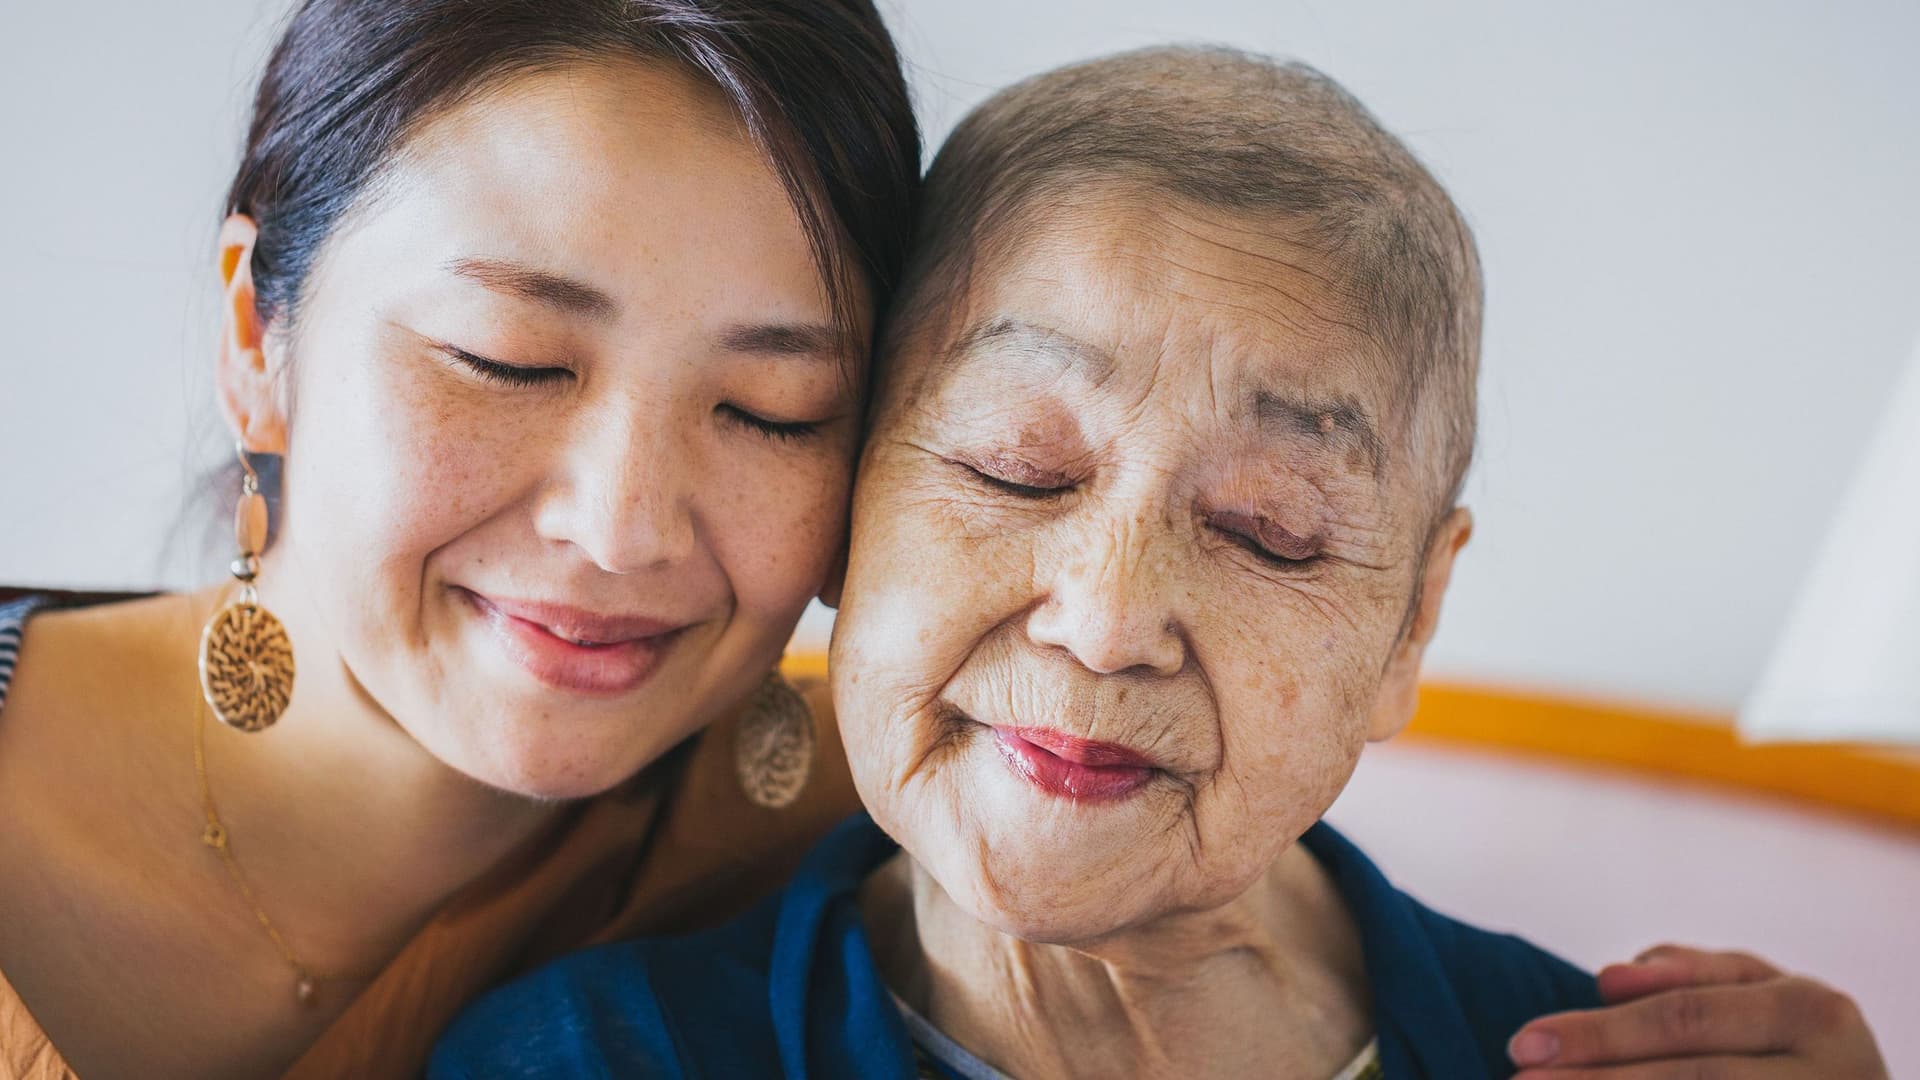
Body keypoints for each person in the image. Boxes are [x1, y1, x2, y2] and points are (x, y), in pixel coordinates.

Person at [431, 47, 1891, 1079]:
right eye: (1018, 468)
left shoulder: (1573, 1050)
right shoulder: (598, 1056)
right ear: (848, 512)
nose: (1108, 616)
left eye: (1270, 531)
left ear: (1411, 622)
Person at [0, 0, 918, 1076]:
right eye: (507, 359)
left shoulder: (905, 821)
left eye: (773, 412)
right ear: (256, 340)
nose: (620, 530)